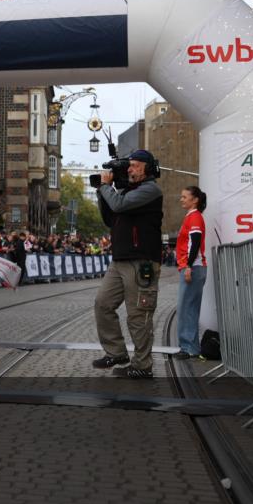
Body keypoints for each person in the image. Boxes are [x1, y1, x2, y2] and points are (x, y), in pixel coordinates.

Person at [92, 150, 164, 379]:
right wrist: (101, 192)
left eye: (134, 165)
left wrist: (106, 187)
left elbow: (120, 206)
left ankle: (142, 366)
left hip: (141, 260)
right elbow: (110, 217)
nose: (129, 169)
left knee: (138, 315)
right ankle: (117, 353)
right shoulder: (126, 191)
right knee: (103, 304)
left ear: (146, 168)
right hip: (120, 260)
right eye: (129, 166)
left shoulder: (150, 190)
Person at [175, 186, 208, 360]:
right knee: (189, 308)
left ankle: (187, 348)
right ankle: (191, 348)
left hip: (193, 268)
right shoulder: (192, 217)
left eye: (184, 196)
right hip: (194, 267)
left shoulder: (194, 217)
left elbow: (194, 242)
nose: (181, 199)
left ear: (195, 200)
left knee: (185, 309)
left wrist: (188, 266)